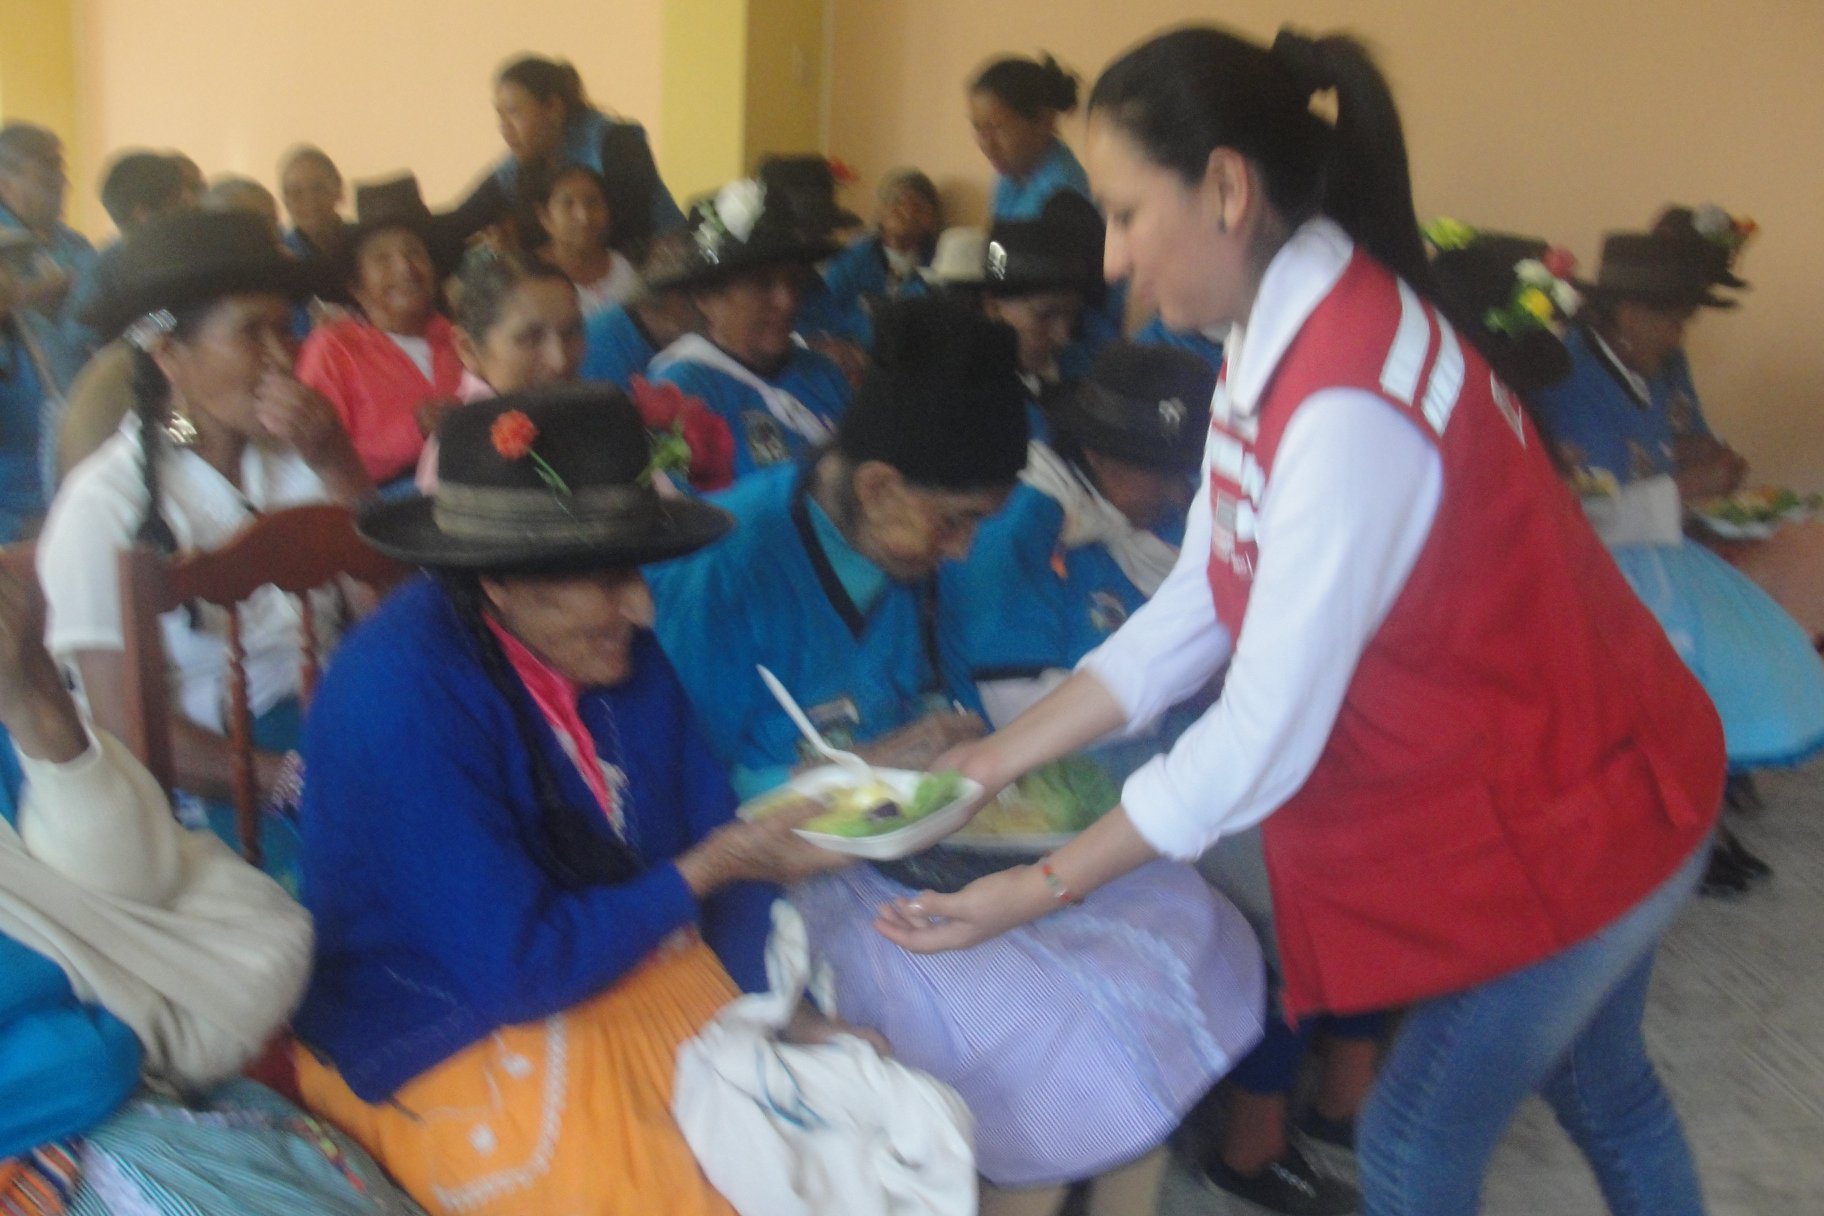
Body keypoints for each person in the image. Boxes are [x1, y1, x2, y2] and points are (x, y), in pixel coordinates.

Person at [876, 27, 1726, 1216]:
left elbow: (1263, 730)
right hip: (1577, 772)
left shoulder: (1344, 400)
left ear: (1228, 189)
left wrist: (1039, 886)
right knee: (1603, 1089)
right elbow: (1202, 596)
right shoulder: (1275, 332)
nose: (1112, 257)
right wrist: (993, 762)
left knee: (1415, 1145)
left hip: (1583, 807)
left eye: (1126, 213)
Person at [652, 298, 1265, 1215]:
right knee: (1043, 1022)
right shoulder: (721, 569)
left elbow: (924, 704)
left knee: (1178, 909)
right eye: (954, 524)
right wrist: (881, 759)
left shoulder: (901, 554)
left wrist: (939, 740)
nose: (965, 550)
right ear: (877, 488)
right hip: (780, 880)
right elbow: (693, 805)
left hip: (906, 839)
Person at [293, 386, 868, 1216]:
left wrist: (787, 1016)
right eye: (606, 579)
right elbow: (517, 968)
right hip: (448, 1025)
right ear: (496, 580)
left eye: (634, 571)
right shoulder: (397, 696)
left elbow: (715, 836)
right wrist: (703, 872)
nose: (640, 604)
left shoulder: (617, 650)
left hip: (615, 969)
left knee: (850, 1133)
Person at [0, 563, 424, 1215]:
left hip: (148, 1058)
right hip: (92, 1095)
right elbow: (85, 1066)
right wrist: (117, 1040)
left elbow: (136, 887)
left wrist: (38, 710)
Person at [37, 210, 373, 878]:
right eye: (252, 332)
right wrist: (294, 780)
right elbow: (126, 725)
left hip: (344, 732)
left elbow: (393, 619)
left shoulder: (301, 460)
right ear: (169, 355)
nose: (283, 356)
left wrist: (339, 465)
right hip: (221, 790)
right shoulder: (104, 506)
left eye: (284, 328)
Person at [1532, 231, 1824, 895]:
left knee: (1752, 634)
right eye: (1671, 319)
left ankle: (1707, 801)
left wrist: (1707, 463)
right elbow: (1586, 512)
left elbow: (1665, 442)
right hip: (1594, 563)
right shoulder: (1574, 379)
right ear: (1627, 312)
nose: (1679, 334)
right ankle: (1688, 829)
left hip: (1654, 547)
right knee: (1685, 656)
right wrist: (1687, 488)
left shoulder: (1645, 366)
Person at [945, 340, 1208, 719]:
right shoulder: (1015, 527)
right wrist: (1187, 691)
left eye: (1188, 472)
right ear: (1097, 453)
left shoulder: (1157, 513)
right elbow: (1016, 704)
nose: (1179, 493)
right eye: (1162, 473)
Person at [648, 180, 852, 479]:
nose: (787, 302)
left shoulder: (823, 372)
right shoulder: (680, 394)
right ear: (706, 297)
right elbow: (684, 503)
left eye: (794, 281)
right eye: (763, 284)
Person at [296, 175, 464, 489]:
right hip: (384, 508)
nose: (405, 268)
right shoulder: (332, 349)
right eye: (382, 259)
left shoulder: (463, 339)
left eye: (414, 253)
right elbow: (317, 462)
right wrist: (413, 431)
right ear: (356, 286)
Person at [441, 54, 683, 259]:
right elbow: (462, 221)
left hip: (667, 266)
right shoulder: (516, 167)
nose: (504, 128)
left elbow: (630, 234)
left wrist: (540, 256)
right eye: (500, 115)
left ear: (553, 108)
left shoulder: (615, 143)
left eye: (513, 112)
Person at [979, 192, 1108, 441]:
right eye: (1045, 315)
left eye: (1072, 315)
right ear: (993, 306)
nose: (1063, 336)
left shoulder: (1086, 369)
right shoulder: (970, 396)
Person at [0, 124, 96, 398]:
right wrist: (46, 289)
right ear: (5, 185)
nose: (62, 186)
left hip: (82, 398)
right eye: (45, 179)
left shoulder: (73, 244)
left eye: (61, 174)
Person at [797, 167, 941, 349]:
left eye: (918, 206)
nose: (908, 211)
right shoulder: (850, 262)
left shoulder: (941, 266)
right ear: (880, 211)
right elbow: (818, 317)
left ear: (931, 219)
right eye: (898, 202)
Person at [970, 55, 1091, 221]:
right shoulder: (1010, 177)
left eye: (997, 128)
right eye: (978, 127)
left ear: (1043, 121)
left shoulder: (1063, 196)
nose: (987, 145)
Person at [531, 162, 640, 315]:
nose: (584, 217)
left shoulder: (625, 266)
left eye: (592, 202)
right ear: (545, 216)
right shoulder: (532, 278)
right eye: (568, 204)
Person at [0, 262, 53, 541]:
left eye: (4, 265)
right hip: (14, 528)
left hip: (61, 499)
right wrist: (16, 529)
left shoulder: (33, 329)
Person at [279, 144, 352, 266]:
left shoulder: (364, 245)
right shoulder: (280, 258)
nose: (310, 200)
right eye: (296, 192)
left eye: (318, 188)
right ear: (286, 202)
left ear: (338, 189)